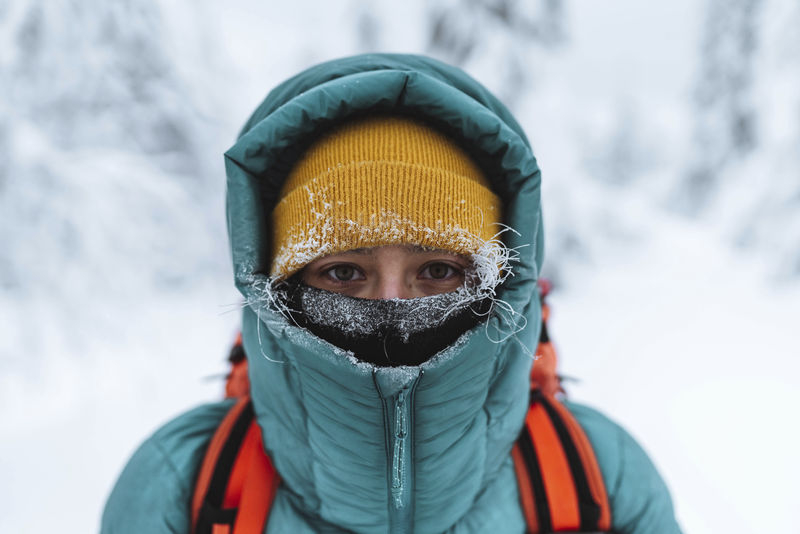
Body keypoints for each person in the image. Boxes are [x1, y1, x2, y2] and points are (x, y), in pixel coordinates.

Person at [102, 54, 682, 533]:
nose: (394, 307)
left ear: (498, 282)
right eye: (344, 273)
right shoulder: (179, 486)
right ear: (276, 288)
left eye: (437, 271)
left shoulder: (600, 481)